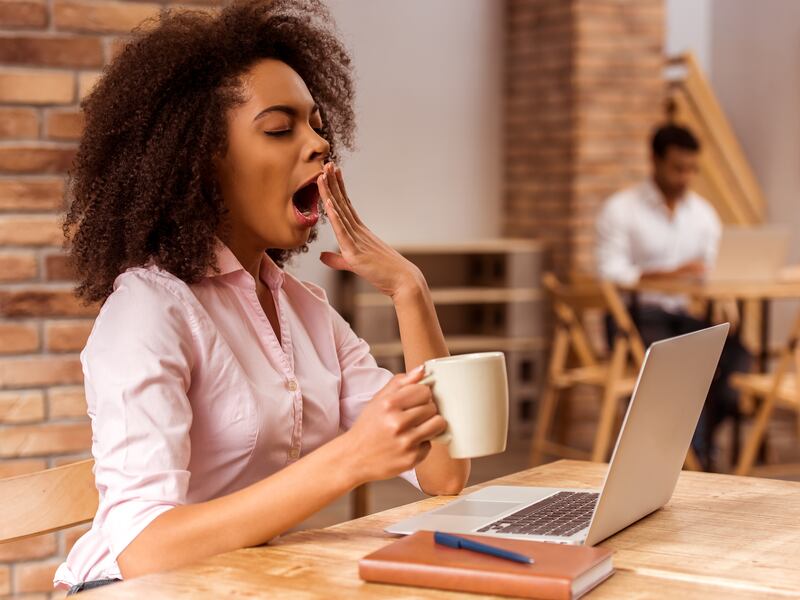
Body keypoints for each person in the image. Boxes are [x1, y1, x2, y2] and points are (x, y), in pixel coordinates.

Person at [54, 0, 469, 593]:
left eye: (317, 126)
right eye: (279, 128)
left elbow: (444, 471)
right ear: (201, 161)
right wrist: (352, 457)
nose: (318, 146)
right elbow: (144, 548)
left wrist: (410, 290)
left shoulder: (306, 312)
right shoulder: (149, 309)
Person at [595, 123, 750, 471]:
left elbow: (712, 268)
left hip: (683, 317)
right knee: (681, 366)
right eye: (677, 167)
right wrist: (674, 272)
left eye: (692, 169)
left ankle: (695, 450)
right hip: (636, 318)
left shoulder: (703, 214)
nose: (685, 177)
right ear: (654, 160)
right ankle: (696, 459)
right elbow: (610, 273)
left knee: (738, 358)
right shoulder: (621, 209)